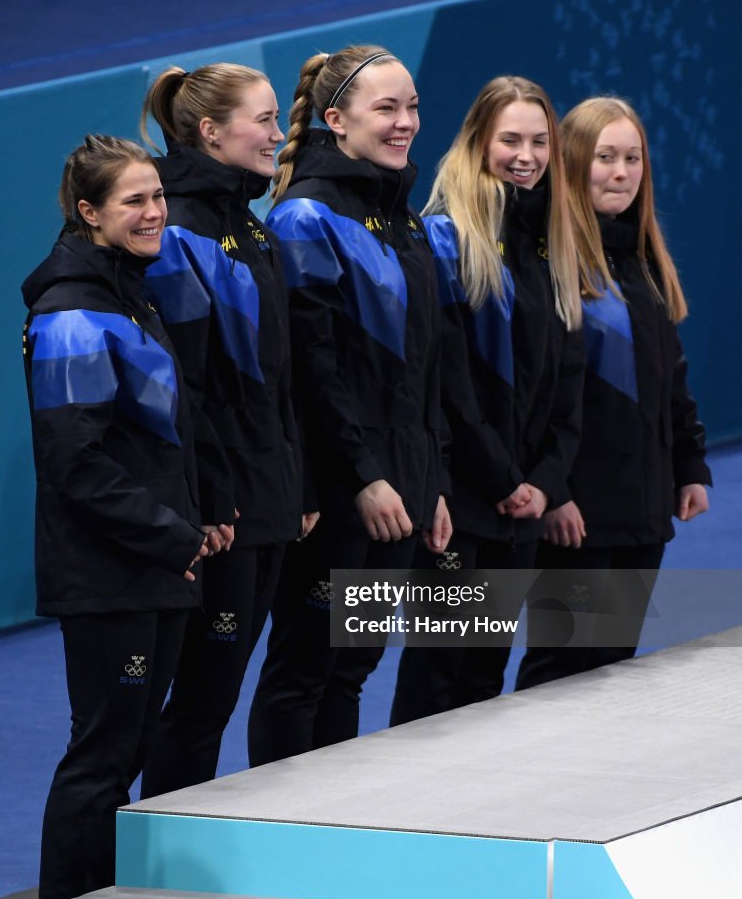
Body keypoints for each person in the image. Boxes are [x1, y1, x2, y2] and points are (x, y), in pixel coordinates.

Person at [247, 44, 451, 765]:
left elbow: (421, 368)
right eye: (386, 109)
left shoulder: (403, 216)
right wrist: (363, 478)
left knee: (351, 670)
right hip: (344, 490)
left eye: (413, 107)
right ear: (336, 119)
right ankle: (277, 835)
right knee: (305, 668)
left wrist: (430, 480)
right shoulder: (306, 218)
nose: (405, 124)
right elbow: (311, 370)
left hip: (405, 484)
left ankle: (325, 830)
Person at [22, 135, 209, 899]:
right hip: (110, 575)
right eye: (133, 201)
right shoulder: (70, 314)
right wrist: (174, 535)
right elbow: (77, 465)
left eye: (157, 196)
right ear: (88, 212)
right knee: (103, 752)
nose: (154, 212)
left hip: (150, 566)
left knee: (128, 745)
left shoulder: (130, 292)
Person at [389, 76, 584, 725]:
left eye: (538, 141)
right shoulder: (443, 240)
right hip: (464, 501)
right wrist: (502, 478)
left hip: (521, 505)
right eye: (510, 140)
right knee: (437, 672)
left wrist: (543, 483)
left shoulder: (549, 243)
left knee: (484, 672)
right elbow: (445, 383)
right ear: (478, 143)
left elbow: (563, 384)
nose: (525, 155)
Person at [137, 63, 306, 796]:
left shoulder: (250, 227)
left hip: (267, 501)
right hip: (225, 512)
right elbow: (188, 391)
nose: (277, 135)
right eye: (263, 121)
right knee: (202, 700)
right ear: (210, 131)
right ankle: (156, 867)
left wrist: (297, 483)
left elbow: (279, 380)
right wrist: (217, 502)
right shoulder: (178, 233)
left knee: (221, 692)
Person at [515, 96, 711, 689]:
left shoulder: (644, 262)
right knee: (563, 669)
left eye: (632, 158)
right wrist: (555, 492)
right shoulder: (548, 266)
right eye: (604, 157)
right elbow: (533, 401)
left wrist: (690, 465)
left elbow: (670, 382)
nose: (621, 172)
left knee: (613, 666)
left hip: (643, 511)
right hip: (578, 516)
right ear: (572, 164)